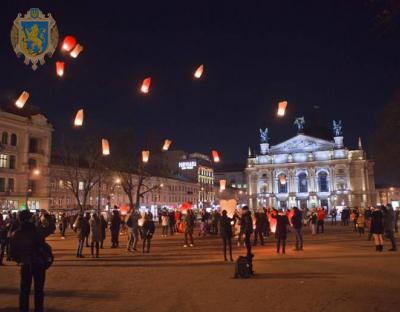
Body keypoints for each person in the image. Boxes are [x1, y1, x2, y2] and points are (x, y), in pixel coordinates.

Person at [10, 209, 52, 312]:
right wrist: (47, 217)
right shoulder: (37, 230)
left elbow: (13, 253)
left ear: (19, 219)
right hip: (38, 263)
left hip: (25, 264)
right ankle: (38, 309)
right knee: (38, 291)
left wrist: (21, 259)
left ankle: (23, 309)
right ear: (30, 218)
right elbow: (50, 229)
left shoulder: (16, 234)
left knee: (24, 291)